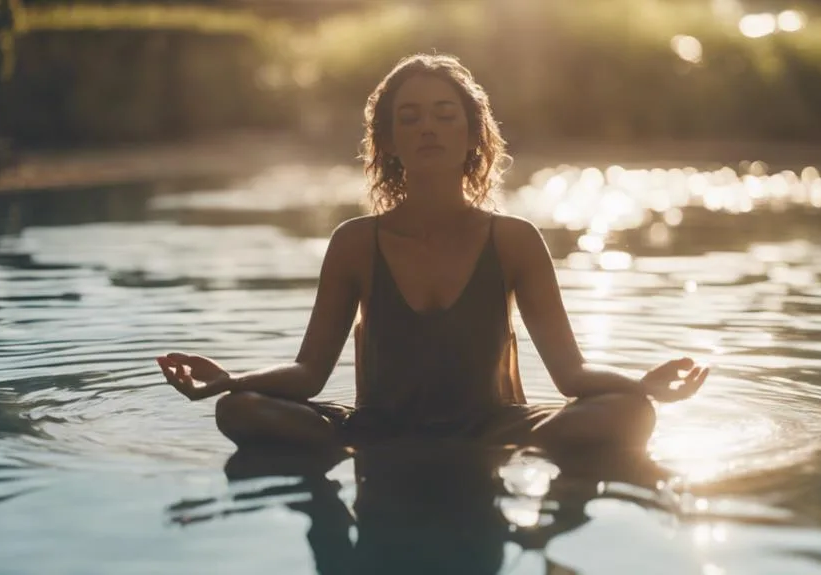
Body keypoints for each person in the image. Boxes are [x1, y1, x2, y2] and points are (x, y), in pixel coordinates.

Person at [156, 53, 709, 451]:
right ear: (389, 142)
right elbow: (308, 373)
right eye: (410, 117)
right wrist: (227, 382)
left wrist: (640, 384)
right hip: (375, 428)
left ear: (473, 134)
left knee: (630, 415)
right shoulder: (355, 242)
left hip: (495, 427)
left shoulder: (513, 239)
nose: (428, 128)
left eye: (445, 115)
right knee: (238, 412)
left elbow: (570, 373)